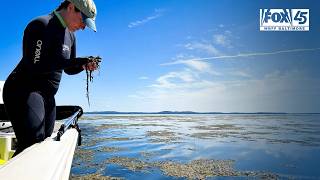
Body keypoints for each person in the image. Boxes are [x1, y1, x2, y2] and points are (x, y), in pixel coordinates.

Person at [2, 0, 98, 156]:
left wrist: (82, 65)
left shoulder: (71, 37)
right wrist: (75, 61)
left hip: (47, 95)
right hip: (23, 89)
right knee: (31, 144)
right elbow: (35, 65)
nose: (83, 27)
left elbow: (68, 69)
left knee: (44, 143)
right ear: (71, 7)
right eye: (83, 20)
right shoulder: (41, 25)